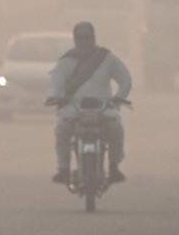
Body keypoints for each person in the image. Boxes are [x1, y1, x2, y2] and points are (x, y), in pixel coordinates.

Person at [47, 21, 132, 185]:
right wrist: (56, 96)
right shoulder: (66, 61)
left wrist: (118, 98)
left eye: (87, 37)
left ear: (93, 38)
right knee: (62, 129)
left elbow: (125, 80)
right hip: (74, 107)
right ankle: (63, 169)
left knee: (116, 128)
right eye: (80, 38)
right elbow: (56, 82)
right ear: (74, 39)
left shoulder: (106, 58)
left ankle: (114, 167)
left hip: (104, 107)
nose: (83, 41)